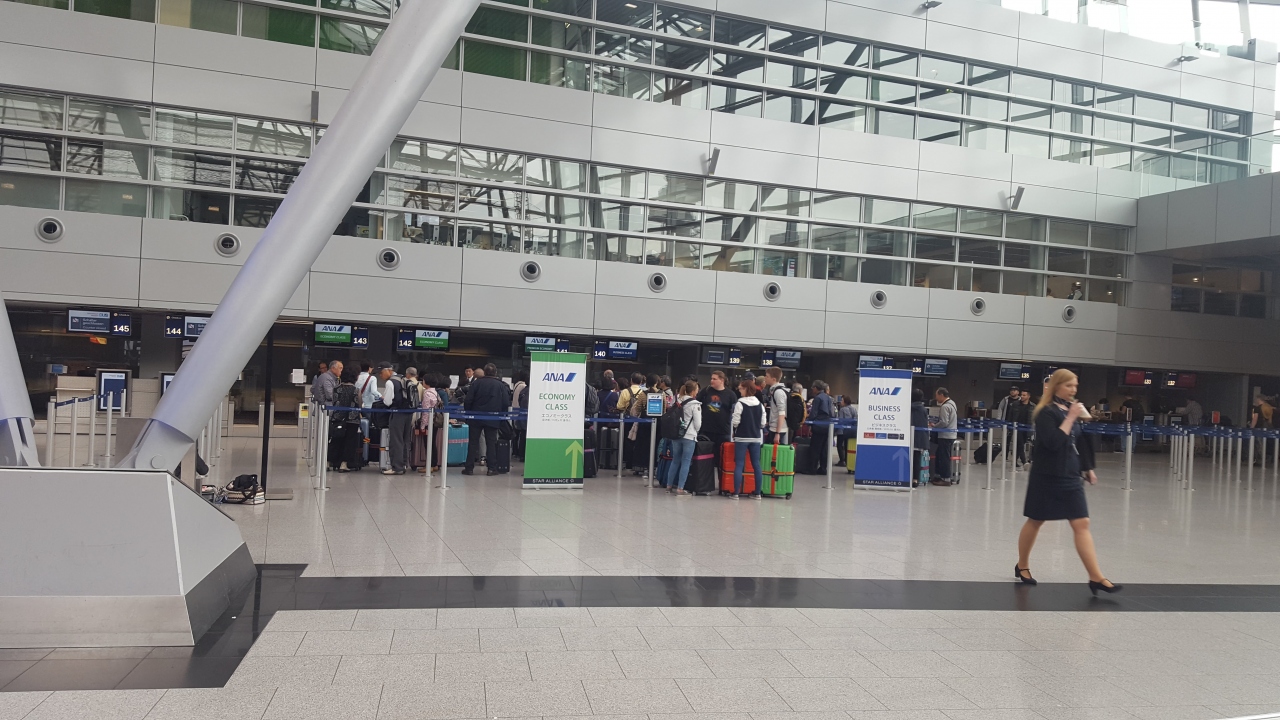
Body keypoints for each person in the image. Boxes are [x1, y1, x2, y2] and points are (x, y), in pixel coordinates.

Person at [1015, 369, 1121, 596]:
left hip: (1070, 473)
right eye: (1069, 385)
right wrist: (1071, 417)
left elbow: (1080, 440)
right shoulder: (1045, 412)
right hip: (1047, 475)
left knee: (1081, 522)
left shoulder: (1071, 409)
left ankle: (1096, 577)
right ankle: (1022, 564)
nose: (1073, 390)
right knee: (1036, 520)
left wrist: (1087, 468)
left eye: (1075, 385)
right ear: (1057, 386)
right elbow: (1053, 442)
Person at [463, 363, 510, 476]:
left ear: (484, 372)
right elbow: (505, 403)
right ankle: (491, 468)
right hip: (493, 417)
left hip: (476, 417)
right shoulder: (500, 385)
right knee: (491, 443)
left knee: (473, 443)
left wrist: (468, 413)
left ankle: (469, 468)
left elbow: (468, 400)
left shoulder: (476, 383)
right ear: (495, 372)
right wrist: (501, 416)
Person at [730, 378, 766, 499]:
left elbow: (735, 421)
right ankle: (757, 493)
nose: (739, 390)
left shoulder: (740, 404)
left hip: (741, 437)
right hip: (755, 437)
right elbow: (763, 423)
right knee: (756, 464)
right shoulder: (760, 405)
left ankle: (736, 493)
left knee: (739, 464)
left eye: (741, 388)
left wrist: (736, 430)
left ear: (746, 389)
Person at [664, 381, 702, 496]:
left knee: (675, 460)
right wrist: (696, 431)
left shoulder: (677, 401)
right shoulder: (695, 404)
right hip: (689, 436)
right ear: (693, 391)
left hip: (676, 435)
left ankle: (669, 486)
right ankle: (680, 488)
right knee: (686, 461)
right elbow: (698, 424)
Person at [377, 362, 413, 476]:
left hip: (397, 414)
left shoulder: (390, 382)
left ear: (389, 370)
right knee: (405, 440)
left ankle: (397, 467)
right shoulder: (403, 378)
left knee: (396, 440)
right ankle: (404, 464)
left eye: (381, 372)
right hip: (408, 413)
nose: (380, 375)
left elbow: (387, 402)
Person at [330, 367, 362, 473]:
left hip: (337, 418)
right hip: (352, 419)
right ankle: (344, 464)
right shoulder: (356, 390)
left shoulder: (336, 388)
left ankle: (331, 462)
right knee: (350, 442)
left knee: (336, 440)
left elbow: (334, 402)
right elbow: (359, 404)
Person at [697, 370, 738, 446]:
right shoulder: (706, 391)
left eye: (714, 379)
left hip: (723, 431)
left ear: (722, 380)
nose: (711, 381)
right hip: (706, 429)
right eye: (711, 378)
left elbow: (735, 411)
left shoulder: (730, 395)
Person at [416, 373, 443, 474]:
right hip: (435, 421)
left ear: (426, 382)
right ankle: (434, 464)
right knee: (432, 443)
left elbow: (426, 411)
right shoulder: (435, 392)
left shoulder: (427, 394)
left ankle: (430, 465)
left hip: (429, 422)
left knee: (428, 444)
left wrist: (423, 425)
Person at [931, 387, 958, 486]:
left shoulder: (945, 406)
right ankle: (940, 476)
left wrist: (934, 426)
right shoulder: (952, 403)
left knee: (944, 457)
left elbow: (944, 422)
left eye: (937, 395)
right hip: (951, 435)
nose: (936, 398)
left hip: (945, 436)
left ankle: (946, 478)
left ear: (941, 395)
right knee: (941, 455)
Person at [808, 381, 834, 474]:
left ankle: (812, 468)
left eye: (813, 388)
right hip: (827, 426)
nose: (812, 390)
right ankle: (823, 468)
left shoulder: (817, 398)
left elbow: (814, 413)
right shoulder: (828, 398)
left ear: (816, 388)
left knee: (815, 448)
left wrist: (810, 423)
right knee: (824, 448)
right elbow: (832, 413)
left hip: (818, 425)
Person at [763, 367, 789, 445]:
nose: (765, 378)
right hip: (776, 427)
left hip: (777, 429)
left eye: (767, 376)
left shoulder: (778, 392)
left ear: (773, 379)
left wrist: (777, 433)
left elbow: (782, 413)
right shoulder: (777, 390)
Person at [910, 389, 928, 486]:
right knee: (917, 459)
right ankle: (915, 479)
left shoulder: (908, 408)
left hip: (908, 437)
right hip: (920, 437)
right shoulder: (923, 410)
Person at [835, 396, 857, 467]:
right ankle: (848, 461)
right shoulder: (854, 409)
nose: (841, 402)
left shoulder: (842, 410)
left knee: (839, 445)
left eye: (842, 400)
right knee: (848, 446)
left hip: (842, 430)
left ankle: (842, 460)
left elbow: (841, 420)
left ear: (845, 402)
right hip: (851, 430)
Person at [511, 371, 529, 462]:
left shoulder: (517, 385)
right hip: (521, 413)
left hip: (516, 411)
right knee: (522, 434)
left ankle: (516, 451)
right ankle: (520, 453)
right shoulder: (523, 387)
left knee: (517, 434)